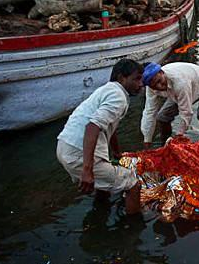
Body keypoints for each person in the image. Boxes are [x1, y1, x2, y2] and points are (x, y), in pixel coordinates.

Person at [56, 59, 144, 214]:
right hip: (78, 153)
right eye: (136, 79)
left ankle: (100, 211)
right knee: (133, 184)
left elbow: (110, 125)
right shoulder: (119, 97)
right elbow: (92, 127)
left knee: (105, 183)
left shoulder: (108, 90)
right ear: (121, 78)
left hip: (65, 145)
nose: (141, 84)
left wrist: (117, 153)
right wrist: (87, 170)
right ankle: (133, 229)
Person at [141, 62, 199, 147]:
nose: (159, 87)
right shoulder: (151, 88)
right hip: (180, 90)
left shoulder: (180, 81)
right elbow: (149, 111)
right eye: (154, 86)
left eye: (159, 81)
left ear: (162, 72)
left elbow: (186, 113)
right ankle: (165, 145)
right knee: (162, 117)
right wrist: (147, 140)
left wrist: (178, 136)